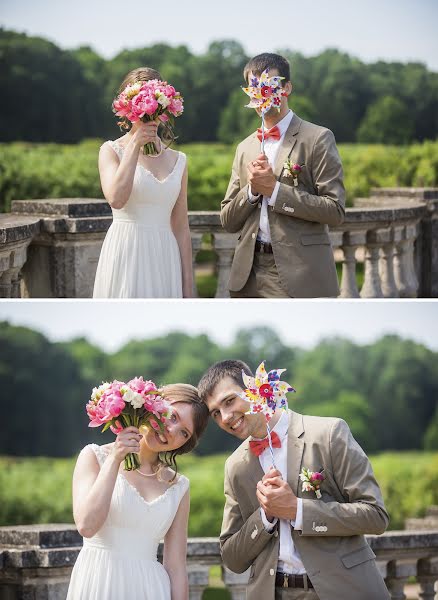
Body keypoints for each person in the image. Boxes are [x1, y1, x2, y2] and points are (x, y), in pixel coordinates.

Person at [198, 360, 390, 600]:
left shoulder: (329, 433)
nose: (225, 417)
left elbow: (376, 516)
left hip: (343, 590)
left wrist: (297, 510)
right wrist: (265, 517)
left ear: (255, 388)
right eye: (216, 413)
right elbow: (232, 558)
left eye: (229, 401)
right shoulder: (235, 467)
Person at [67, 384, 209, 600]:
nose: (171, 431)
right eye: (172, 416)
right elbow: (86, 525)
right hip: (100, 582)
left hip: (151, 589)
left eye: (184, 432)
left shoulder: (178, 486)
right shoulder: (94, 457)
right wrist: (115, 458)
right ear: (153, 405)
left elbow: (176, 566)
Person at [221, 53, 346, 298]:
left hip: (299, 273)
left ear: (286, 87)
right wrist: (252, 191)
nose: (261, 94)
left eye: (269, 85)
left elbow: (335, 211)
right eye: (254, 87)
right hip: (247, 276)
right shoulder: (244, 147)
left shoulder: (318, 138)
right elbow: (228, 220)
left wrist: (275, 191)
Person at [93, 67, 193, 298]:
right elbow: (116, 199)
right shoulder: (110, 151)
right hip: (127, 250)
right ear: (129, 108)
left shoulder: (179, 160)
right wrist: (135, 145)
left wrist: (188, 287)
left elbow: (181, 227)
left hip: (165, 255)